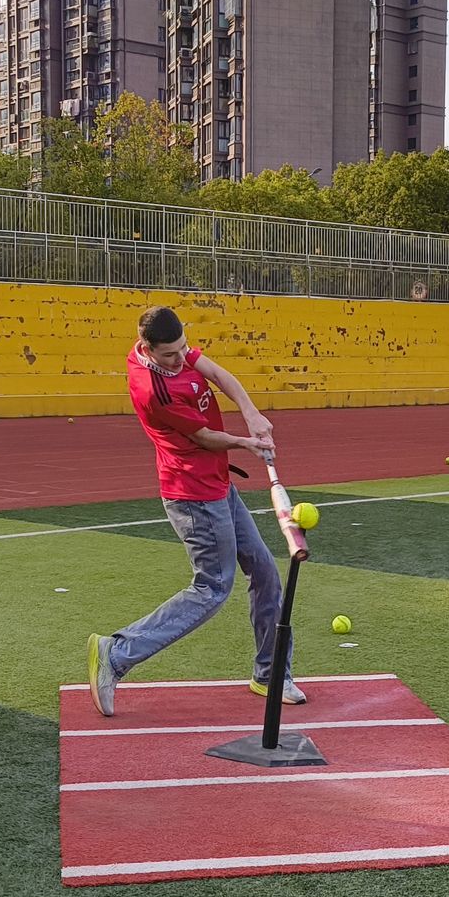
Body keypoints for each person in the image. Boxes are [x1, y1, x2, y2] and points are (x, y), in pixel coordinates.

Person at [87, 305, 304, 717]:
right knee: (212, 588)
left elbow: (220, 375)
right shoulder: (153, 389)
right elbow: (204, 437)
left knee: (264, 571)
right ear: (147, 349)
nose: (179, 358)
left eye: (182, 349)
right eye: (169, 354)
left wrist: (251, 412)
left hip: (218, 485)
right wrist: (247, 443)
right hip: (192, 495)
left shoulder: (176, 350)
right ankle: (116, 653)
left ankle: (271, 673)